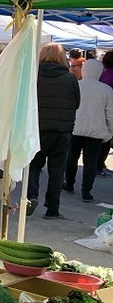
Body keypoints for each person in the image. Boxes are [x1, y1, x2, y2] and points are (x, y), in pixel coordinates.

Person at [27, 43, 80, 219]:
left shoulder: (34, 75)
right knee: (57, 171)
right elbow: (76, 103)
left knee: (34, 166)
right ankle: (52, 209)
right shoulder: (70, 78)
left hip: (38, 128)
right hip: (62, 131)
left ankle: (31, 197)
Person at [64, 59, 113, 203]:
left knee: (71, 158)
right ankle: (86, 190)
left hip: (75, 129)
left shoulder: (76, 86)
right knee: (90, 162)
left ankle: (69, 184)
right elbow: (110, 114)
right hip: (96, 132)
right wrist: (110, 131)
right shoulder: (107, 90)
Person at [97, 50, 113, 177]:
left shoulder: (102, 74)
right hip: (109, 108)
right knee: (106, 140)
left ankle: (100, 164)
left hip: (99, 109)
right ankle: (99, 165)